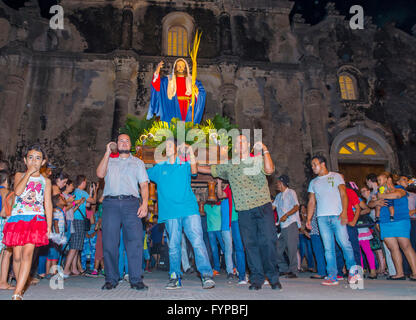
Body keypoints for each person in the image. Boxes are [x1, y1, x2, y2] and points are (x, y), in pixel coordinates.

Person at [198, 135, 282, 291]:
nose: (240, 144)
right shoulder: (230, 165)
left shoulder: (257, 159)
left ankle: (273, 278)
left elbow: (270, 170)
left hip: (263, 207)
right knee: (250, 245)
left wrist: (264, 149)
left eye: (243, 141)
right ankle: (256, 279)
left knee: (268, 242)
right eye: (237, 142)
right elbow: (211, 170)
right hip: (243, 210)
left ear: (248, 145)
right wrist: (193, 165)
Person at [147, 138, 215, 290]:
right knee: (173, 246)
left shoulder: (184, 163)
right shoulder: (159, 167)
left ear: (177, 148)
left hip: (189, 210)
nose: (169, 147)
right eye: (167, 145)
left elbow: (194, 171)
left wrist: (190, 150)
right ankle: (174, 276)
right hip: (171, 213)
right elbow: (142, 175)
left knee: (197, 241)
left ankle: (206, 276)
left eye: (172, 145)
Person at [97, 134, 149, 291]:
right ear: (116, 144)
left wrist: (145, 204)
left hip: (131, 204)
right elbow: (100, 174)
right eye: (121, 141)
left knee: (135, 242)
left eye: (127, 141)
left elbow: (144, 185)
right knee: (110, 242)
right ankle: (111, 279)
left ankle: (136, 279)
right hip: (111, 204)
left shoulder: (137, 163)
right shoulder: (109, 161)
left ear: (130, 144)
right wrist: (107, 152)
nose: (124, 143)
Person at [2, 144, 52, 300]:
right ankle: (21, 283)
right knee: (16, 256)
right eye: (31, 158)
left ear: (43, 162)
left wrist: (49, 225)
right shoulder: (18, 175)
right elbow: (17, 191)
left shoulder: (46, 181)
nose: (34, 161)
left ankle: (17, 292)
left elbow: (48, 204)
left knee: (27, 254)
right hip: (18, 219)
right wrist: (28, 174)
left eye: (38, 158)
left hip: (36, 219)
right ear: (25, 160)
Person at [306, 155, 358, 286]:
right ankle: (332, 276)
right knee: (328, 248)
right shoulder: (313, 182)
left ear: (323, 164)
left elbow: (343, 194)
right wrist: (308, 218)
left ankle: (354, 273)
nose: (312, 167)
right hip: (321, 218)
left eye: (314, 164)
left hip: (337, 215)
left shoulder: (336, 176)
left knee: (345, 244)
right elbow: (311, 201)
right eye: (312, 165)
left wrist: (344, 212)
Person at [372, 172, 416, 280]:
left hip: (400, 219)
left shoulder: (399, 188)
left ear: (389, 179)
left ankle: (415, 272)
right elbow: (370, 204)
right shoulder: (379, 191)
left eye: (381, 180)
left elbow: (397, 195)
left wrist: (381, 196)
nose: (379, 182)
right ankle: (399, 273)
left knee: (405, 245)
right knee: (392, 248)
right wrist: (376, 203)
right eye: (378, 181)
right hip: (385, 221)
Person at [147, 59, 206, 124]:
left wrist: (197, 91)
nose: (180, 67)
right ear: (175, 67)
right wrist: (157, 71)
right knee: (175, 127)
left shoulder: (192, 80)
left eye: (182, 65)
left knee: (186, 128)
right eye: (178, 65)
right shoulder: (169, 80)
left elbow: (202, 93)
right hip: (173, 106)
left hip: (187, 108)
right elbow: (157, 85)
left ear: (185, 67)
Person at [63, 176, 96, 278]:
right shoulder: (82, 193)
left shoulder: (75, 193)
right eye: (85, 182)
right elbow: (93, 202)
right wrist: (95, 191)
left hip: (73, 220)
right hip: (78, 220)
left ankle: (73, 268)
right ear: (83, 182)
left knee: (76, 245)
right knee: (75, 247)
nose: (85, 184)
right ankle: (66, 269)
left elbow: (87, 206)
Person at [217, 179, 247, 285]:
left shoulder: (232, 189)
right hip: (226, 224)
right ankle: (230, 271)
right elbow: (219, 196)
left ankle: (241, 274)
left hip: (235, 221)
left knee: (239, 247)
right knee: (228, 249)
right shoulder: (221, 191)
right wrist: (219, 183)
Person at [273, 174, 301, 278]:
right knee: (277, 249)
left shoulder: (291, 192)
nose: (276, 184)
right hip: (283, 226)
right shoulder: (279, 196)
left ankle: (294, 271)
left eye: (278, 183)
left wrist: (286, 215)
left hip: (291, 224)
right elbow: (272, 207)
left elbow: (296, 206)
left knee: (291, 248)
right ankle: (283, 269)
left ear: (282, 183)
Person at [360, 185, 386, 276]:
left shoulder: (372, 197)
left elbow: (373, 209)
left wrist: (377, 221)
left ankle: (380, 268)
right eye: (361, 191)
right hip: (369, 226)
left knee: (378, 247)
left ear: (369, 190)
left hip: (374, 224)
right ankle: (379, 268)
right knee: (374, 248)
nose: (363, 193)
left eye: (364, 190)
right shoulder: (365, 201)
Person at [397, 176, 416, 276]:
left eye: (406, 180)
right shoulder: (396, 194)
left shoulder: (413, 195)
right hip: (400, 221)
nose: (406, 181)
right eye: (403, 179)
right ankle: (405, 270)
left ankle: (413, 270)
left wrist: (413, 211)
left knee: (411, 245)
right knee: (402, 246)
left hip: (412, 221)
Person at [0, 170, 14, 290]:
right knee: (6, 252)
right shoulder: (5, 192)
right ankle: (3, 281)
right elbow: (4, 212)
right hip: (2, 222)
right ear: (6, 180)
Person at [204, 201, 224, 277]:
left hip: (219, 229)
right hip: (210, 230)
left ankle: (233, 267)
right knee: (214, 250)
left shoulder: (219, 205)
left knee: (225, 248)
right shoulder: (206, 206)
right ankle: (216, 268)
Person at [298, 204, 315, 273]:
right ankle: (298, 266)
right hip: (301, 234)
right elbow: (299, 227)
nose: (303, 210)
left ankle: (311, 266)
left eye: (304, 208)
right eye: (301, 208)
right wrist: (304, 231)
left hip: (309, 234)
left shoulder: (309, 216)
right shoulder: (298, 217)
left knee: (310, 250)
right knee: (303, 249)